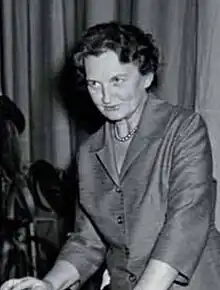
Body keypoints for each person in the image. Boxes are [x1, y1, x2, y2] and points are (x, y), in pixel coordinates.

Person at [1, 21, 220, 290]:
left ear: (147, 76)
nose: (105, 97)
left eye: (117, 80)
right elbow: (87, 240)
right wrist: (49, 283)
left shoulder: (184, 129)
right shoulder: (88, 152)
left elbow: (185, 223)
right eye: (94, 84)